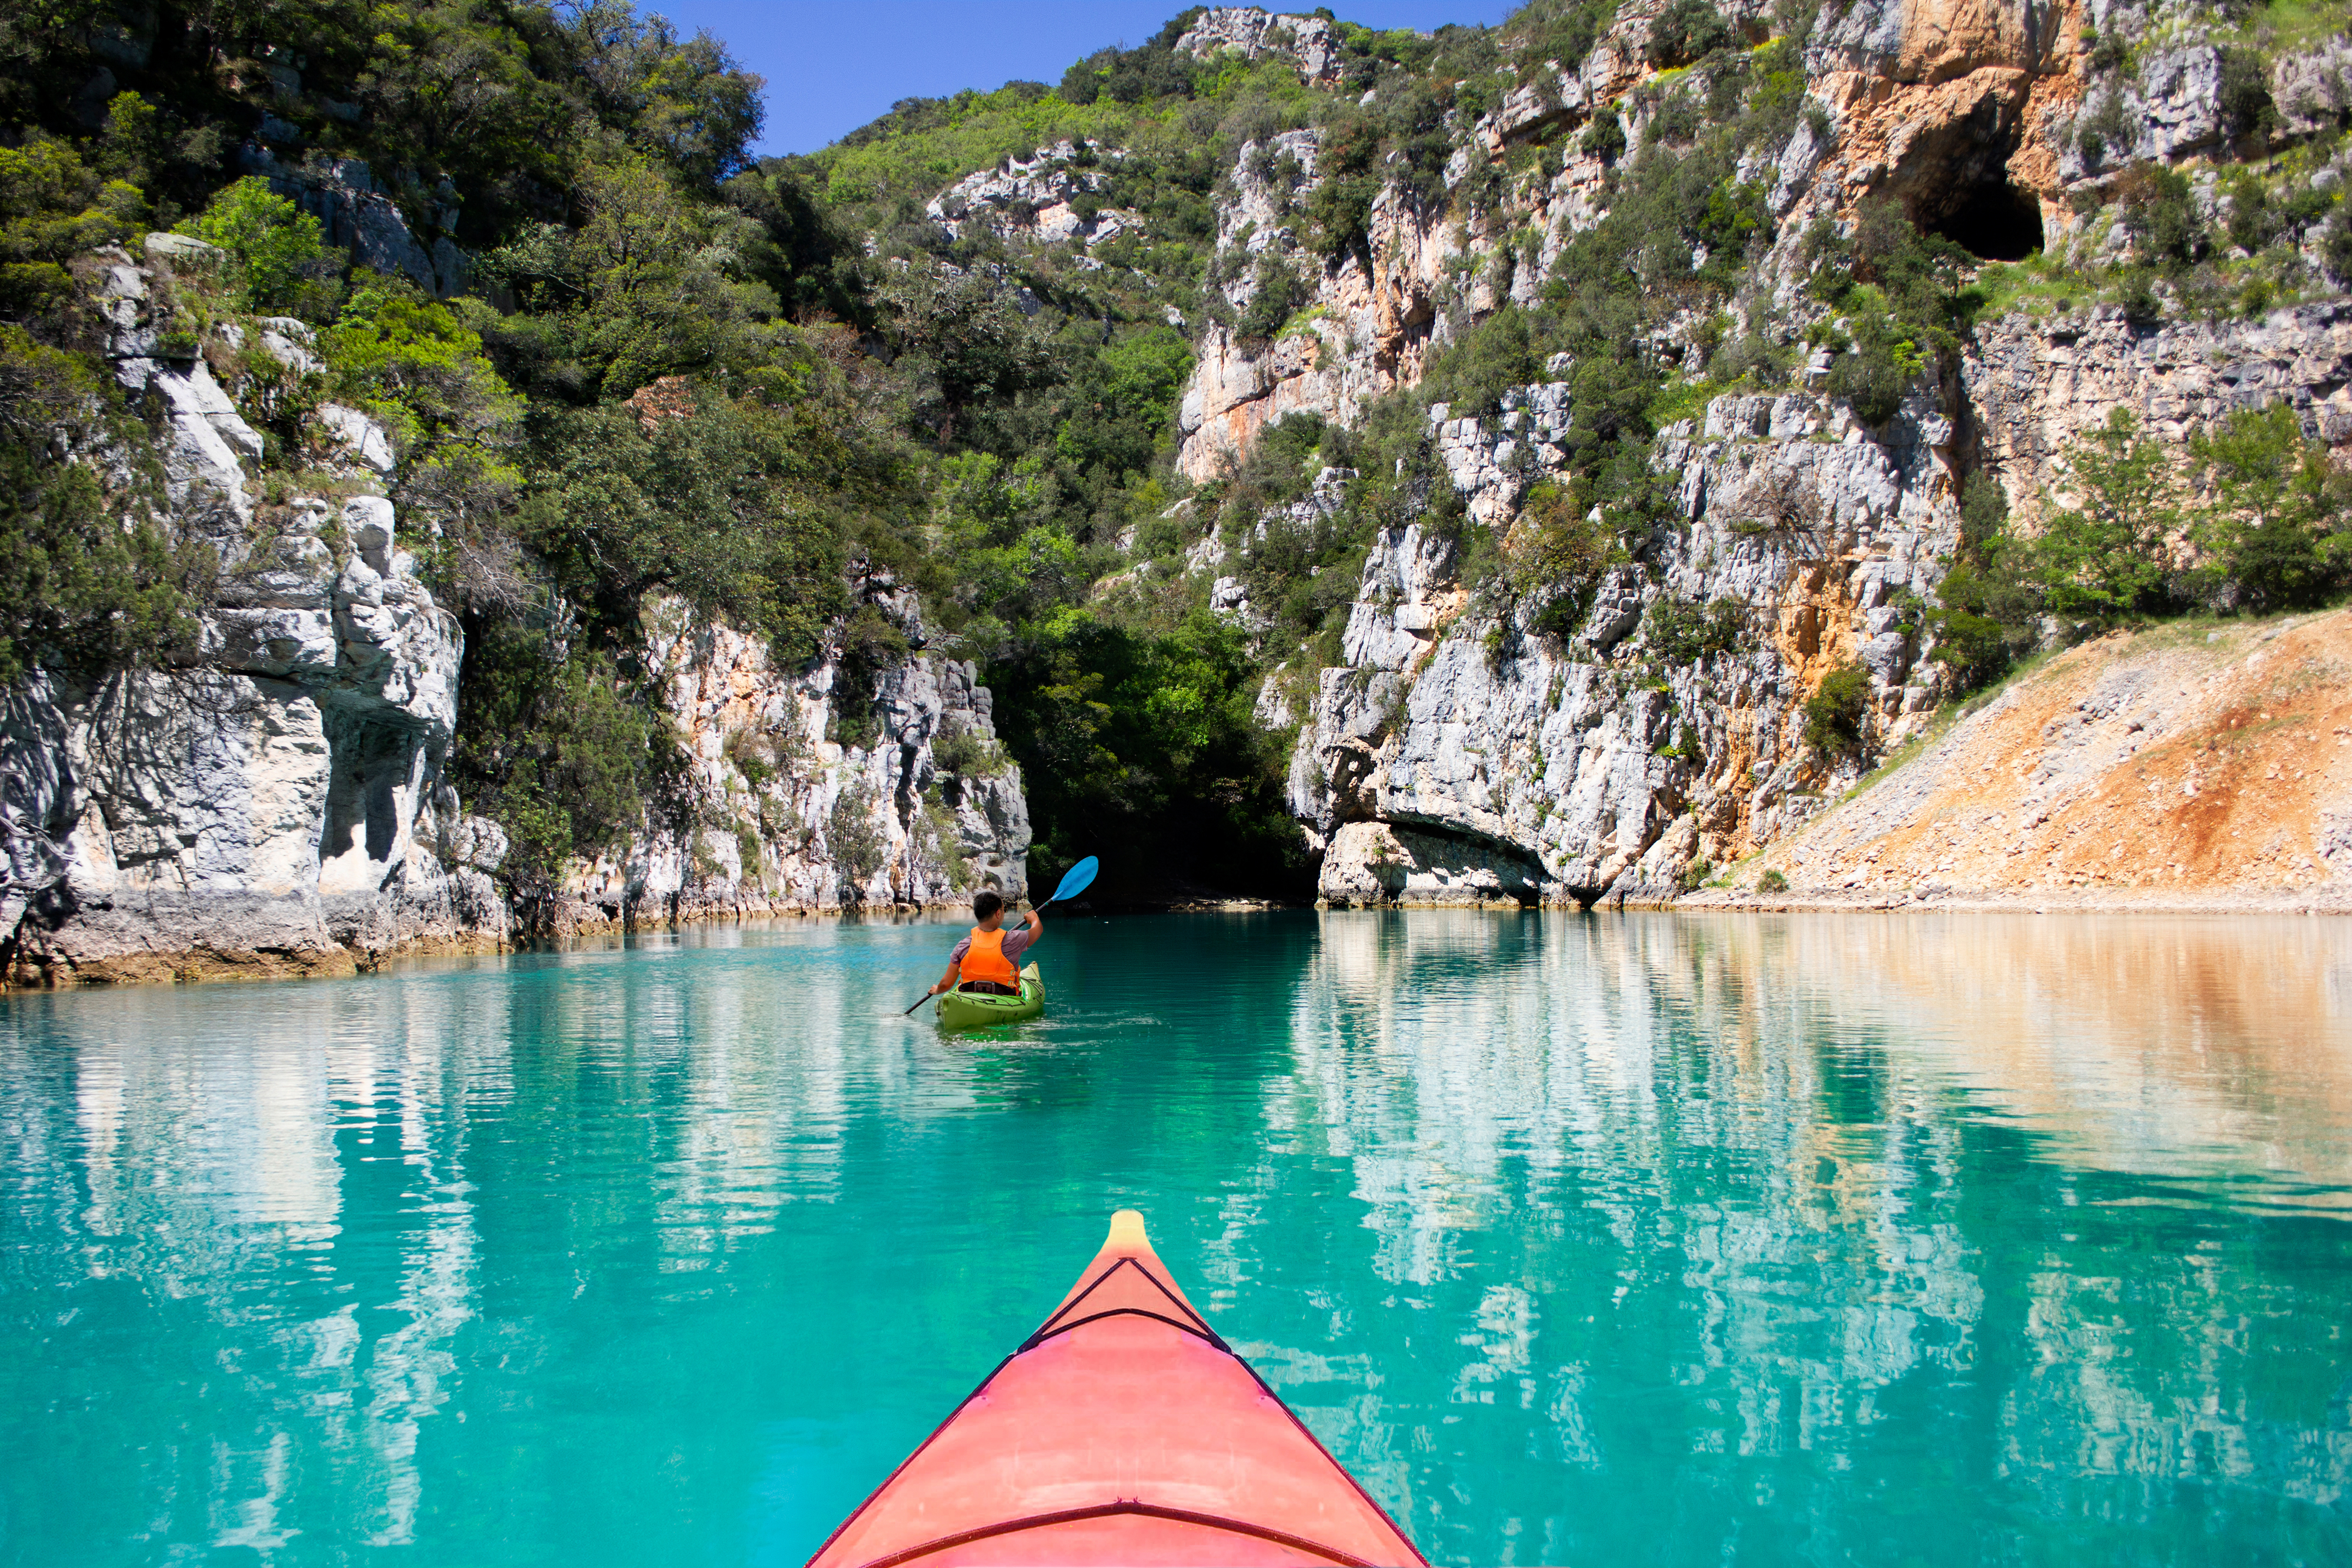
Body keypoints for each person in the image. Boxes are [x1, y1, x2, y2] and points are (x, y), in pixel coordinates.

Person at [930, 889, 1041, 999]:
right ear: (998, 914)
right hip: (1005, 997)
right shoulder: (1015, 939)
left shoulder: (963, 945)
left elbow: (946, 984)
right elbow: (1038, 930)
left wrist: (937, 990)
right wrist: (1034, 918)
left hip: (968, 996)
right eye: (1004, 910)